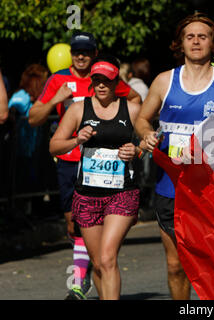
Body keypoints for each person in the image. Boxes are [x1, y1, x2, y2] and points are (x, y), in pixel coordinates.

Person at [135, 12, 214, 300]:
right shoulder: (163, 81)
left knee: (213, 262)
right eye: (190, 36)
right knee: (176, 265)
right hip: (170, 186)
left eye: (203, 36)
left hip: (213, 188)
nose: (196, 41)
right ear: (180, 44)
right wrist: (146, 134)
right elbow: (142, 119)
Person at [28, 31, 141, 300]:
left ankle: (78, 281)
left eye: (86, 52)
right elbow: (33, 118)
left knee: (107, 256)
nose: (81, 56)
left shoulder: (112, 81)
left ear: (93, 55)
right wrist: (58, 101)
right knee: (75, 230)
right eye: (76, 51)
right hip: (75, 168)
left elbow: (139, 107)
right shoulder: (59, 80)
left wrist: (133, 144)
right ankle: (86, 273)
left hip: (119, 187)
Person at [8, 64, 49, 193]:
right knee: (19, 182)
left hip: (30, 151)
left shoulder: (35, 99)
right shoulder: (22, 96)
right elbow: (13, 107)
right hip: (18, 151)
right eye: (43, 81)